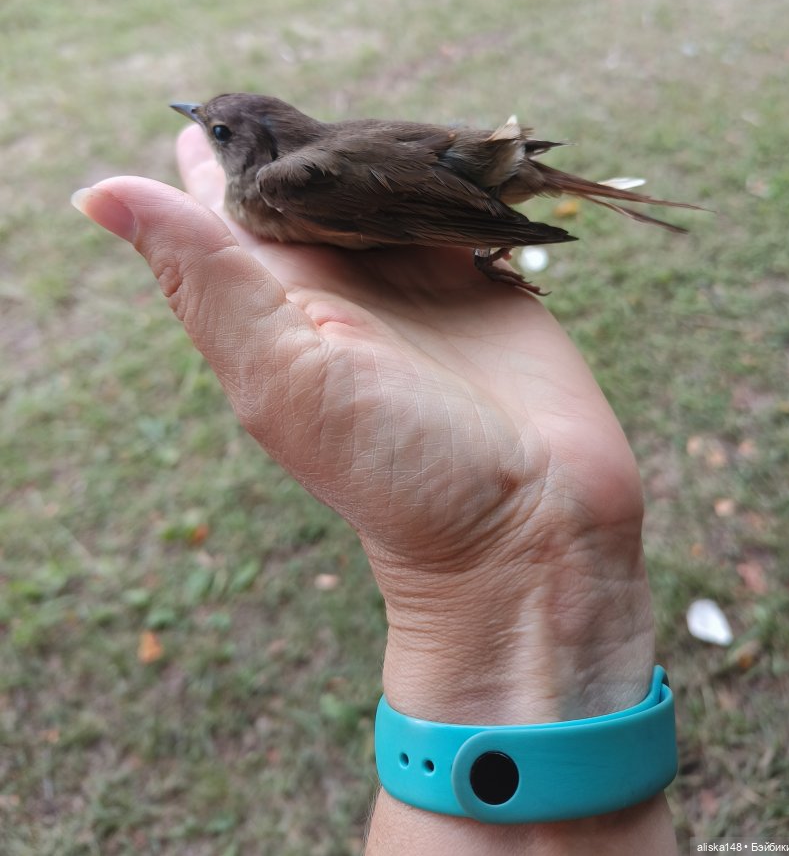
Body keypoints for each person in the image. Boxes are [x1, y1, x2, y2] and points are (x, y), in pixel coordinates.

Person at [72, 123, 678, 854]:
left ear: (252, 144)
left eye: (223, 128)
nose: (211, 132)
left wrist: (488, 223)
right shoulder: (306, 165)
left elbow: (409, 206)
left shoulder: (277, 184)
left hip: (451, 192)